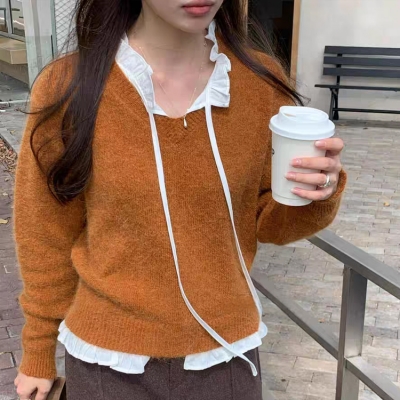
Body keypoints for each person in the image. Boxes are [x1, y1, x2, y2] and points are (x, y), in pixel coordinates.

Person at [13, 0, 346, 399]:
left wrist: (316, 192)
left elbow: (270, 224)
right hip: (106, 364)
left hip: (226, 359)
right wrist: (38, 350)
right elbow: (44, 233)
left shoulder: (260, 84)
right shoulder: (70, 85)